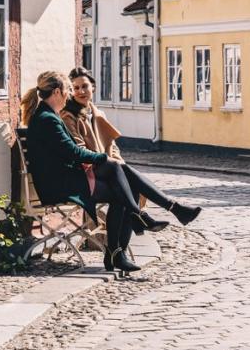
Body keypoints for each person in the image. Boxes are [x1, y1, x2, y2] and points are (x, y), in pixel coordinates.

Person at [21, 71, 153, 273]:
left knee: (124, 185)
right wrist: (101, 158)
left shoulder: (47, 116)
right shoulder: (48, 119)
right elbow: (72, 151)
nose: (69, 95)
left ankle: (119, 250)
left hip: (63, 180)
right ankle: (121, 246)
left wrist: (104, 159)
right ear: (57, 92)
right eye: (68, 90)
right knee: (121, 185)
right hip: (58, 187)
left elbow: (67, 152)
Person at [60, 67, 201, 237]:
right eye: (76, 88)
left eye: (85, 86)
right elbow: (79, 150)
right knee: (124, 181)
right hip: (86, 172)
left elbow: (112, 147)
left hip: (105, 169)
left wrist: (118, 162)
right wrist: (114, 164)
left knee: (129, 183)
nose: (81, 91)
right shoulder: (68, 116)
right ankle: (171, 210)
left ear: (93, 87)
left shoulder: (97, 113)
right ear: (70, 91)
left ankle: (120, 252)